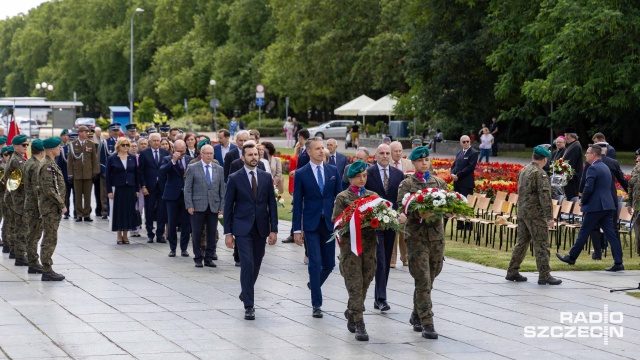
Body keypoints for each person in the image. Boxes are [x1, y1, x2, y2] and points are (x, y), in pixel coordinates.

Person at [335, 160, 401, 341]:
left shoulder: (373, 196)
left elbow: (383, 217)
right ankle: (360, 323)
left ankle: (351, 311)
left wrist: (382, 220)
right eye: (358, 176)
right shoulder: (342, 197)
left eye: (364, 176)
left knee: (365, 281)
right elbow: (336, 222)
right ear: (350, 178)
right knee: (355, 284)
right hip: (351, 249)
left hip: (370, 247)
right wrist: (354, 221)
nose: (362, 179)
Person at [397, 146, 447, 340]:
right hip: (417, 238)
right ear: (414, 163)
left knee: (430, 278)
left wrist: (450, 211)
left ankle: (416, 313)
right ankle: (428, 323)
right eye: (420, 160)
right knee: (423, 279)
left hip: (436, 237)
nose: (424, 162)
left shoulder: (439, 183)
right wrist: (418, 214)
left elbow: (447, 203)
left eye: (427, 160)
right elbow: (403, 208)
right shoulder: (407, 184)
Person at [224, 142, 278, 320]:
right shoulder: (235, 177)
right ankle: (249, 305)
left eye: (256, 154)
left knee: (256, 263)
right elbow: (228, 206)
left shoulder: (265, 177)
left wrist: (274, 230)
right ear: (243, 157)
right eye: (250, 155)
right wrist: (228, 233)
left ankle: (245, 291)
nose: (254, 158)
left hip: (261, 228)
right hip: (242, 228)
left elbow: (272, 204)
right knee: (247, 263)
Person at [292, 137, 342, 318]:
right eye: (318, 148)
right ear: (309, 152)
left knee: (329, 264)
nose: (322, 151)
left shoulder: (333, 171)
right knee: (315, 263)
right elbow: (297, 203)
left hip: (329, 224)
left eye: (323, 148)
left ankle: (314, 284)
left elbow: (340, 198)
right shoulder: (301, 173)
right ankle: (317, 304)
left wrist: (342, 223)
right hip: (311, 224)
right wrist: (297, 229)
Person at [556, 145, 624, 272]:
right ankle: (618, 262)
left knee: (584, 231)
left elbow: (588, 187)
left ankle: (571, 257)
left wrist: (583, 201)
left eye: (587, 153)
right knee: (611, 235)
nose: (585, 155)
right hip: (607, 205)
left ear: (593, 155)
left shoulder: (593, 168)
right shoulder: (604, 167)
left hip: (596, 206)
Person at [505, 146, 562, 285]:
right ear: (544, 159)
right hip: (536, 214)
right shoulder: (540, 173)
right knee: (541, 244)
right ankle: (544, 275)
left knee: (522, 243)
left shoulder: (524, 170)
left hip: (523, 212)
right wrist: (549, 217)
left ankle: (512, 271)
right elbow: (545, 197)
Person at [364, 144, 404, 313]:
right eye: (382, 153)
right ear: (376, 154)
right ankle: (381, 298)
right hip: (374, 223)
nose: (386, 156)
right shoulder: (368, 173)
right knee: (379, 259)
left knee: (386, 260)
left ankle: (379, 295)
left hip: (391, 223)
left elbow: (401, 199)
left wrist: (401, 214)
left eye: (388, 153)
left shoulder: (398, 174)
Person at [584, 142, 628, 260]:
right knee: (612, 230)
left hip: (595, 201)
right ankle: (617, 257)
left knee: (594, 228)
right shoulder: (613, 162)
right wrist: (630, 192)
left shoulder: (591, 163)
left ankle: (597, 253)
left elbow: (585, 181)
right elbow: (622, 180)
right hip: (610, 200)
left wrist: (582, 196)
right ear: (606, 150)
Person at [184, 144, 225, 268]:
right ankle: (197, 257)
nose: (209, 155)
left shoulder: (219, 169)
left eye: (211, 153)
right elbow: (187, 189)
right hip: (197, 206)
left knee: (212, 233)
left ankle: (209, 257)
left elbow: (222, 190)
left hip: (213, 205)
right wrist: (189, 205)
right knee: (197, 232)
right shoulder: (192, 167)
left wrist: (222, 206)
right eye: (206, 153)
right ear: (201, 154)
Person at [37, 137, 67, 281]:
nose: (59, 149)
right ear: (51, 149)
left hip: (52, 208)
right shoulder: (47, 166)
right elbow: (49, 189)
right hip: (50, 208)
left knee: (51, 237)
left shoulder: (51, 164)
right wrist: (61, 204)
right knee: (49, 238)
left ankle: (47, 268)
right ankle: (47, 270)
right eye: (58, 147)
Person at [160, 140, 193, 257]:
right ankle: (172, 248)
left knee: (186, 223)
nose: (180, 153)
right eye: (178, 151)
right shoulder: (167, 159)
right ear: (173, 149)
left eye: (183, 151)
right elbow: (162, 172)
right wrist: (173, 161)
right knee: (172, 222)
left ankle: (184, 248)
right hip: (172, 195)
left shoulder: (190, 159)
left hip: (186, 196)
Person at [106, 138, 140, 245]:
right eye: (123, 145)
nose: (126, 147)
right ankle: (119, 235)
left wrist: (137, 189)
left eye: (127, 145)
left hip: (130, 187)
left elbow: (136, 174)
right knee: (118, 211)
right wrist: (109, 191)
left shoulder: (133, 158)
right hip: (118, 188)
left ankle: (125, 235)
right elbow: (108, 176)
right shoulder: (112, 158)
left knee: (128, 211)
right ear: (118, 146)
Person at [4, 135, 31, 265]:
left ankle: (15, 251)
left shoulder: (18, 158)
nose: (26, 147)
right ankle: (20, 256)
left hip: (15, 197)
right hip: (18, 198)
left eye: (27, 145)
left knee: (17, 225)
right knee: (22, 227)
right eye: (23, 145)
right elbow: (25, 180)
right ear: (15, 146)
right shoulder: (17, 161)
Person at [139, 133, 170, 244]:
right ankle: (150, 234)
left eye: (158, 141)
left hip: (162, 187)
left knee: (162, 211)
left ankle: (160, 234)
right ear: (150, 142)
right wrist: (143, 186)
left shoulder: (165, 153)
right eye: (154, 141)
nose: (156, 143)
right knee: (149, 210)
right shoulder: (144, 153)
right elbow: (141, 171)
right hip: (149, 187)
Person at [23, 139, 46, 274]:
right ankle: (33, 262)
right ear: (42, 151)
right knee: (34, 235)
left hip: (29, 202)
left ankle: (32, 261)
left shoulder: (28, 162)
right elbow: (38, 188)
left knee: (31, 233)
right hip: (35, 204)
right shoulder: (36, 165)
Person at [68, 126, 100, 222]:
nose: (87, 134)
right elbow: (70, 161)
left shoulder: (90, 144)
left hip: (88, 173)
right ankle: (79, 214)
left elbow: (94, 159)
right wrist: (70, 174)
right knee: (77, 196)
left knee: (87, 195)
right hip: (77, 174)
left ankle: (86, 214)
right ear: (80, 133)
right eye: (86, 132)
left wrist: (95, 172)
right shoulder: (73, 144)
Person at [389, 141, 413, 268]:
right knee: (393, 231)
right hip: (392, 201)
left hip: (405, 202)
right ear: (391, 152)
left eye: (400, 151)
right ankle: (392, 260)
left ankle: (406, 257)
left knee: (404, 231)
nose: (398, 153)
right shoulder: (387, 164)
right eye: (395, 151)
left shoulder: (408, 163)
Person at [451, 135, 479, 230]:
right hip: (457, 183)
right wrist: (452, 174)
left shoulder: (473, 153)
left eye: (468, 141)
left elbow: (470, 167)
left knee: (467, 204)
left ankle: (468, 225)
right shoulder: (459, 153)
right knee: (458, 203)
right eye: (464, 142)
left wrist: (458, 175)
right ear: (461, 143)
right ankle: (459, 224)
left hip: (466, 183)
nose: (466, 143)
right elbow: (454, 165)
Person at [100, 123, 121, 219]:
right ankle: (109, 213)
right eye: (114, 131)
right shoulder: (105, 142)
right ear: (110, 132)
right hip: (111, 173)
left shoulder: (122, 142)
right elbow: (102, 158)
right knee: (110, 193)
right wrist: (105, 172)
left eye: (117, 130)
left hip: (121, 173)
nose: (116, 132)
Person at [57, 129, 75, 219]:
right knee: (66, 195)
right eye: (64, 135)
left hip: (75, 176)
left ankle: (76, 212)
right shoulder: (61, 149)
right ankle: (66, 212)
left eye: (67, 135)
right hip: (65, 175)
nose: (66, 137)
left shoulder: (74, 148)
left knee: (76, 195)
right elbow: (59, 164)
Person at [562, 128, 583, 200]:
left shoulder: (576, 146)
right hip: (569, 179)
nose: (565, 137)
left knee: (571, 199)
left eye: (565, 135)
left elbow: (571, 164)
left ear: (569, 135)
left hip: (573, 180)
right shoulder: (572, 145)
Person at [128, 141, 143, 238]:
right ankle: (131, 228)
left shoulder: (140, 157)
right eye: (132, 146)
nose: (134, 148)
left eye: (135, 146)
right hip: (131, 185)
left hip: (141, 186)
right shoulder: (128, 157)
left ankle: (137, 227)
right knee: (132, 207)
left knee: (140, 207)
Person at [1, 146, 14, 255]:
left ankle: (8, 242)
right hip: (4, 197)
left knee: (9, 220)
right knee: (8, 221)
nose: (9, 157)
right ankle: (6, 243)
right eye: (7, 155)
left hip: (9, 196)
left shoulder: (8, 166)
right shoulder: (3, 167)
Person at [627, 149, 640, 256]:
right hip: (637, 207)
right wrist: (629, 204)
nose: (637, 159)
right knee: (638, 236)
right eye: (637, 157)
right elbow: (630, 187)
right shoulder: (635, 170)